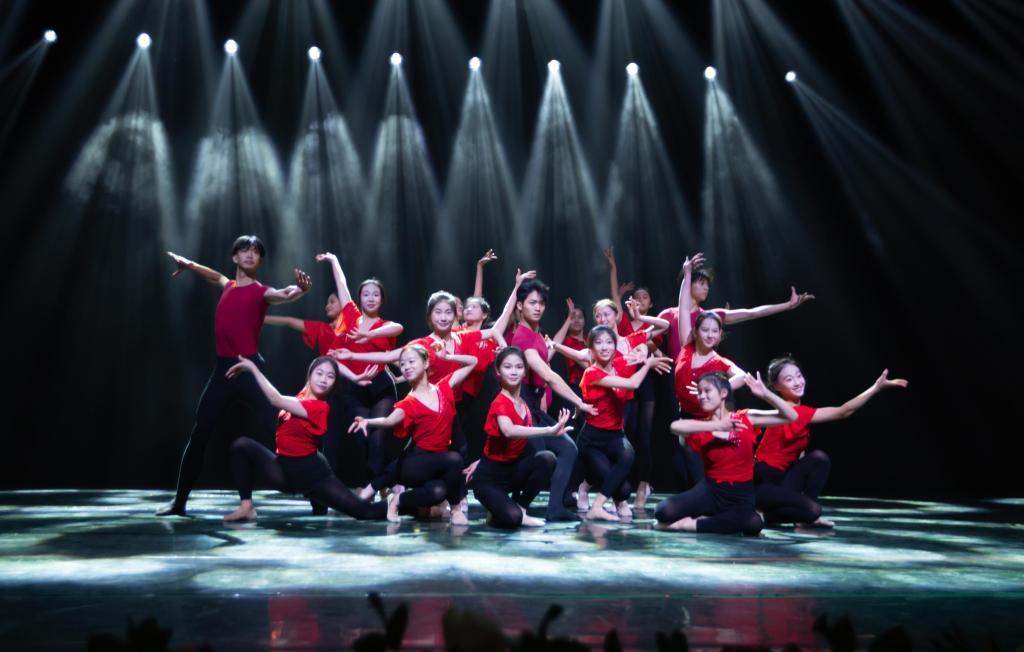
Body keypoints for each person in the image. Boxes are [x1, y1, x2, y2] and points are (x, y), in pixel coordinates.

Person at [157, 236, 312, 516]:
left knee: (285, 429)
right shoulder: (227, 285)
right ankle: (179, 503)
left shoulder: (262, 292)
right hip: (223, 373)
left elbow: (284, 293)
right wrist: (189, 265)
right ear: (235, 257)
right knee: (199, 434)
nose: (250, 254)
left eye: (256, 251)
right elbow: (214, 276)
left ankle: (318, 496)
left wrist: (299, 291)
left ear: (260, 261)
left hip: (249, 371)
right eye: (244, 249)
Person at [221, 356, 387, 522]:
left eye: (330, 376)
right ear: (310, 375)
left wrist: (253, 368)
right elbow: (330, 361)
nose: (324, 379)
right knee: (242, 446)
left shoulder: (319, 407)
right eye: (319, 373)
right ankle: (246, 507)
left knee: (365, 513)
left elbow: (275, 399)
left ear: (334, 383)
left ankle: (399, 502)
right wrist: (354, 376)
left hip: (312, 474)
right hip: (284, 471)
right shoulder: (302, 396)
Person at [755, 357, 908, 528]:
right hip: (765, 483)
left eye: (799, 375)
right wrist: (876, 388)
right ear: (776, 386)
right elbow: (843, 411)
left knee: (818, 459)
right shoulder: (793, 412)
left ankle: (799, 516)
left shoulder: (794, 412)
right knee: (812, 511)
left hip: (783, 480)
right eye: (789, 379)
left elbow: (798, 458)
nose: (797, 382)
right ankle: (762, 515)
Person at [348, 343, 479, 525]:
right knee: (455, 459)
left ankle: (398, 500)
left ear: (426, 363)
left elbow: (473, 362)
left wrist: (446, 357)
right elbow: (389, 420)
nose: (406, 367)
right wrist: (367, 421)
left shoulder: (444, 387)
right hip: (415, 464)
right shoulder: (409, 402)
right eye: (402, 364)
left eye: (411, 362)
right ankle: (456, 510)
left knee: (438, 492)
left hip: (437, 463)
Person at [654, 371, 797, 534]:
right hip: (711, 490)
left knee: (753, 524)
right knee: (663, 511)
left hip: (741, 495)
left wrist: (767, 395)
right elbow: (675, 427)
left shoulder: (745, 418)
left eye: (707, 391)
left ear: (723, 393)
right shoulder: (702, 426)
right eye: (699, 392)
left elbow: (791, 416)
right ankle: (715, 518)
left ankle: (689, 525)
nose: (701, 396)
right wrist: (718, 426)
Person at [507, 278, 599, 522]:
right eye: (532, 303)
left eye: (541, 303)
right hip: (524, 408)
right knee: (540, 459)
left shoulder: (536, 334)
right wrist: (579, 402)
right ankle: (517, 505)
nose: (538, 307)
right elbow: (547, 375)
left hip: (535, 406)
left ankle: (554, 507)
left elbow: (545, 359)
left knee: (568, 448)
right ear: (520, 306)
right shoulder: (522, 337)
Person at [467, 347, 570, 529]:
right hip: (489, 479)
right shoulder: (500, 402)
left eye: (519, 367)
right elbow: (508, 431)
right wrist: (549, 430)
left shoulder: (523, 403)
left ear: (525, 371)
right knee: (512, 519)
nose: (514, 372)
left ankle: (521, 508)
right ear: (498, 371)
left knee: (547, 459)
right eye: (507, 367)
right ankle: (504, 510)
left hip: (512, 473)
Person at [577, 325, 671, 521]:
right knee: (622, 489)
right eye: (598, 343)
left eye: (609, 342)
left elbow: (657, 331)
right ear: (591, 349)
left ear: (615, 345)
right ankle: (587, 490)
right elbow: (633, 384)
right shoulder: (592, 373)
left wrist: (643, 352)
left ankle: (597, 506)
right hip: (592, 440)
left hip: (615, 435)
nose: (604, 347)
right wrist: (648, 365)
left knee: (628, 459)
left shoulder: (621, 363)